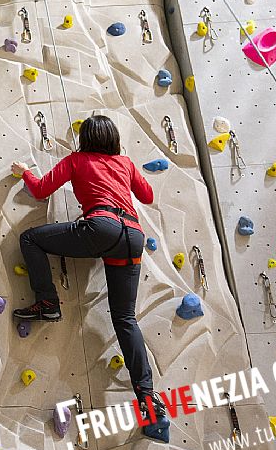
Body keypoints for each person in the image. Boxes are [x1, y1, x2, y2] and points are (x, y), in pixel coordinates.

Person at [9, 115, 165, 419]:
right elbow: (147, 196)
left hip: (101, 227)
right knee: (125, 318)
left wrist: (26, 173)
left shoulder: (77, 160)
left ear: (86, 139)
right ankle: (148, 397)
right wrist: (124, 168)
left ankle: (48, 302)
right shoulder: (125, 162)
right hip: (132, 236)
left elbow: (41, 190)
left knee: (30, 239)